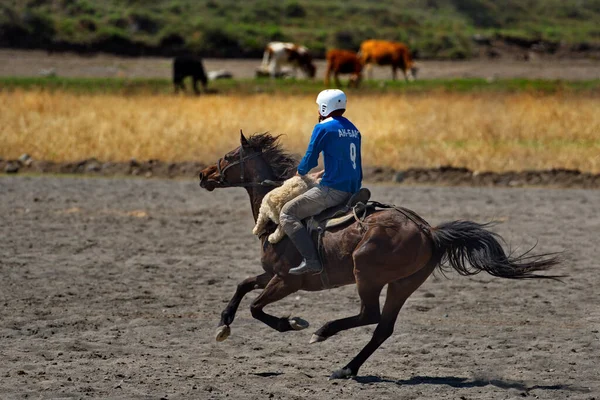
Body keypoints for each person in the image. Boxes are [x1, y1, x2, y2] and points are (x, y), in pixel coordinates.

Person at [280, 89, 362, 275]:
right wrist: (324, 172)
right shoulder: (353, 129)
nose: (318, 110)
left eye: (319, 107)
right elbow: (348, 161)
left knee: (287, 213)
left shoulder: (323, 127)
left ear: (325, 107)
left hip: (333, 190)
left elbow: (309, 159)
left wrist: (299, 173)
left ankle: (312, 261)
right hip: (354, 189)